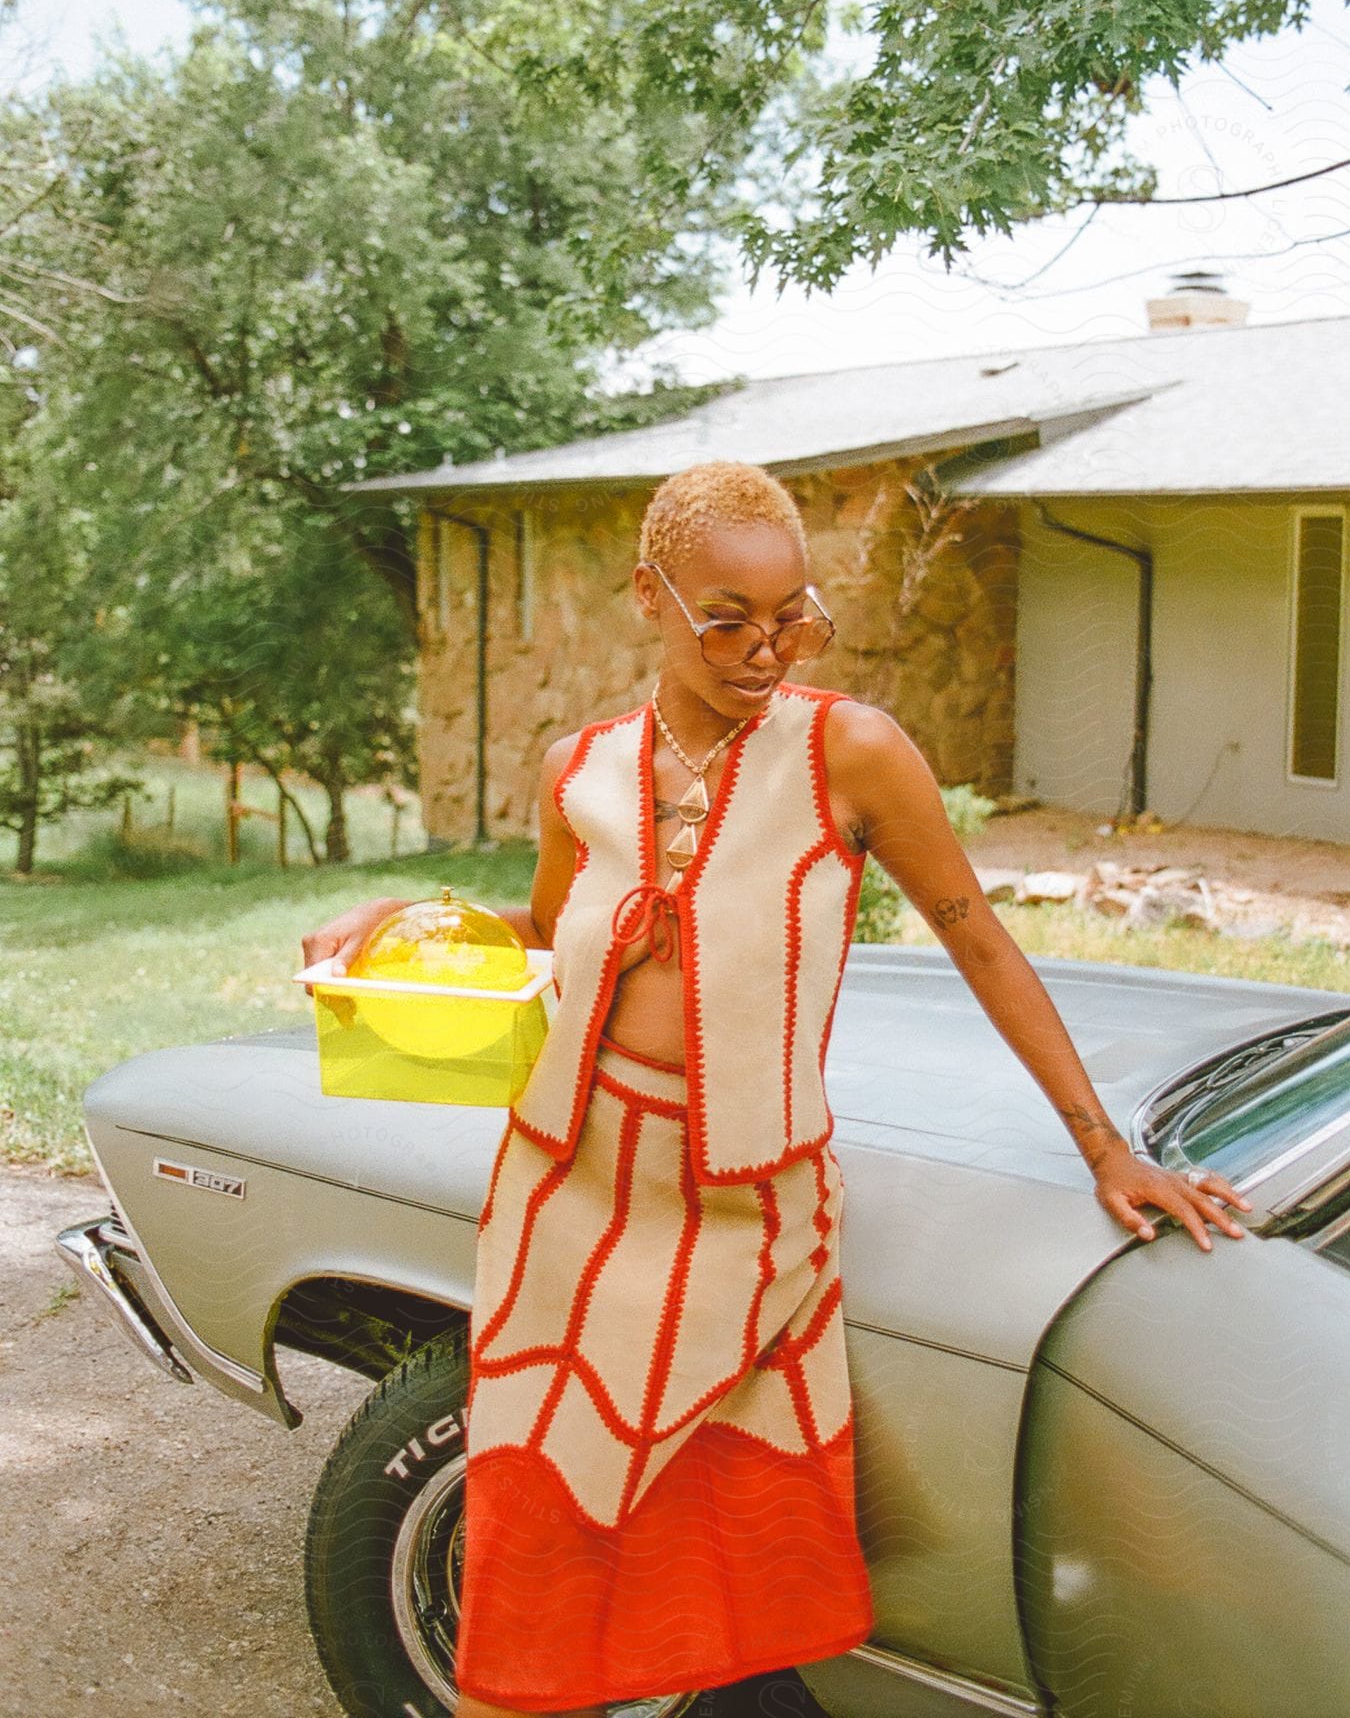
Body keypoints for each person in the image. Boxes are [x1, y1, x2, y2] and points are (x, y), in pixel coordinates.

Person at [300, 459, 1251, 1717]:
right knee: (548, 1529)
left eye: (793, 614)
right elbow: (535, 940)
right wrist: (396, 918)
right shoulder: (579, 768)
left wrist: (1104, 1151)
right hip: (568, 1194)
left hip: (741, 1215)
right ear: (652, 596)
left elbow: (981, 943)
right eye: (729, 619)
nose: (767, 649)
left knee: (733, 1559)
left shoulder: (849, 752)